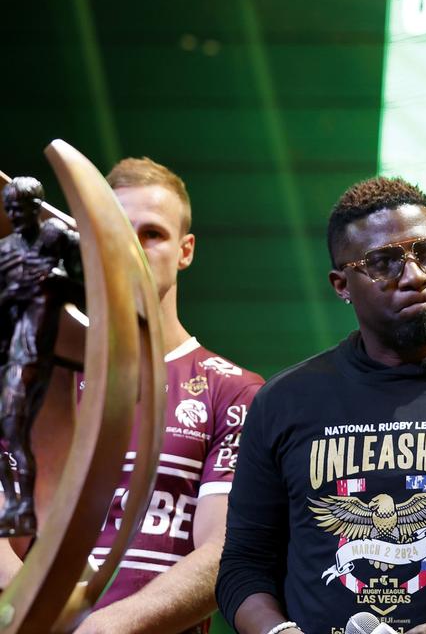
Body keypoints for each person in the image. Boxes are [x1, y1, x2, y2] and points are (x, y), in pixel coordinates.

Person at [216, 177, 426, 634]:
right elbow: (243, 565)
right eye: (384, 263)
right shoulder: (285, 400)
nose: (415, 276)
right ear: (341, 284)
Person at [75, 157, 264, 633]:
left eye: (152, 234)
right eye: (114, 230)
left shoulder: (234, 389)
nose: (132, 248)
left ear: (185, 250)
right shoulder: (40, 378)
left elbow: (223, 550)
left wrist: (102, 628)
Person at [0, 176, 79, 536]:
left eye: (24, 208)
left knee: (14, 425)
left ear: (37, 207)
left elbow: (86, 283)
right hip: (10, 349)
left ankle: (25, 509)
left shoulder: (55, 237)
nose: (17, 215)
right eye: (11, 209)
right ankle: (18, 507)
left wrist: (53, 280)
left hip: (35, 352)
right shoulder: (5, 252)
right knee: (9, 431)